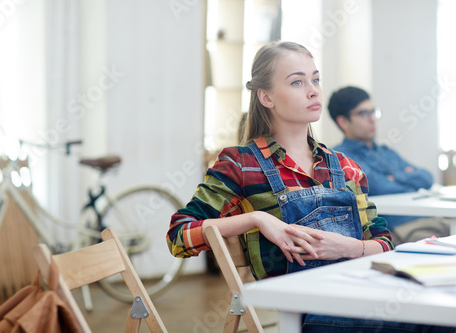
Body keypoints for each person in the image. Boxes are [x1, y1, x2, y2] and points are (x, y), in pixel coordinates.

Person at [167, 41, 453, 332]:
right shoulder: (241, 164)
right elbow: (178, 235)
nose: (314, 89)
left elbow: (384, 242)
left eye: (315, 79)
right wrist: (257, 219)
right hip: (313, 313)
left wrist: (350, 247)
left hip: (364, 296)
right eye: (297, 82)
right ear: (266, 97)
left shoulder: (344, 166)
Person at [328, 86, 450, 244]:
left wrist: (395, 177)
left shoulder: (386, 151)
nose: (372, 118)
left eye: (373, 112)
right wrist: (404, 177)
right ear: (343, 121)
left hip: (434, 218)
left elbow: (426, 178)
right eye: (363, 113)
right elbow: (379, 186)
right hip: (401, 229)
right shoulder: (341, 157)